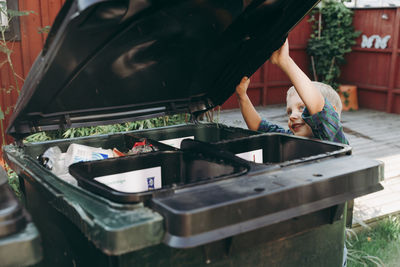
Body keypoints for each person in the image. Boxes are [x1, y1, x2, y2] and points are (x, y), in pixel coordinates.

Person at [235, 38, 349, 145]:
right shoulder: (292, 138)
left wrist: (285, 61)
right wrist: (242, 96)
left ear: (333, 114)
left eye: (302, 108)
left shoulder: (334, 139)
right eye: (289, 111)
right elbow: (258, 127)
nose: (292, 116)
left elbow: (319, 108)